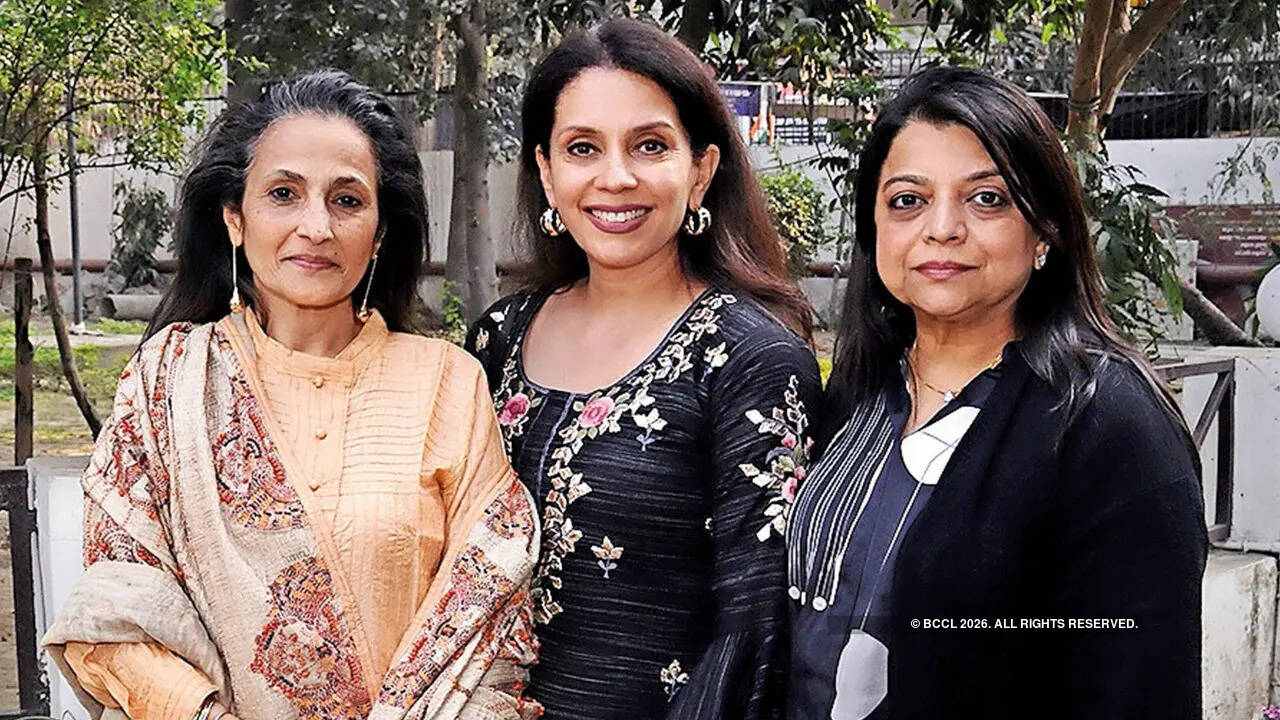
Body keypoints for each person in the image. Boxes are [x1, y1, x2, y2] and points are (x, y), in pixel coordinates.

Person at [43, 70, 540, 720]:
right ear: (234, 218)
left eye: (347, 200)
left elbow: (489, 616)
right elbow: (119, 609)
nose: (316, 226)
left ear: (380, 231)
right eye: (283, 193)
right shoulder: (167, 382)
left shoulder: (447, 382)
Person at [787, 66, 1207, 719]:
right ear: (874, 230)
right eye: (907, 200)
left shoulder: (1109, 427)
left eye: (987, 199)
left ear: (1046, 231)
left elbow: (1143, 688)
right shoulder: (859, 396)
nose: (943, 228)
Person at [464, 17, 821, 720]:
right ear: (546, 171)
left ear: (701, 171)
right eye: (582, 148)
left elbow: (754, 629)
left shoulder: (749, 359)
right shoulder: (498, 339)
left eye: (650, 145)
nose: (615, 177)